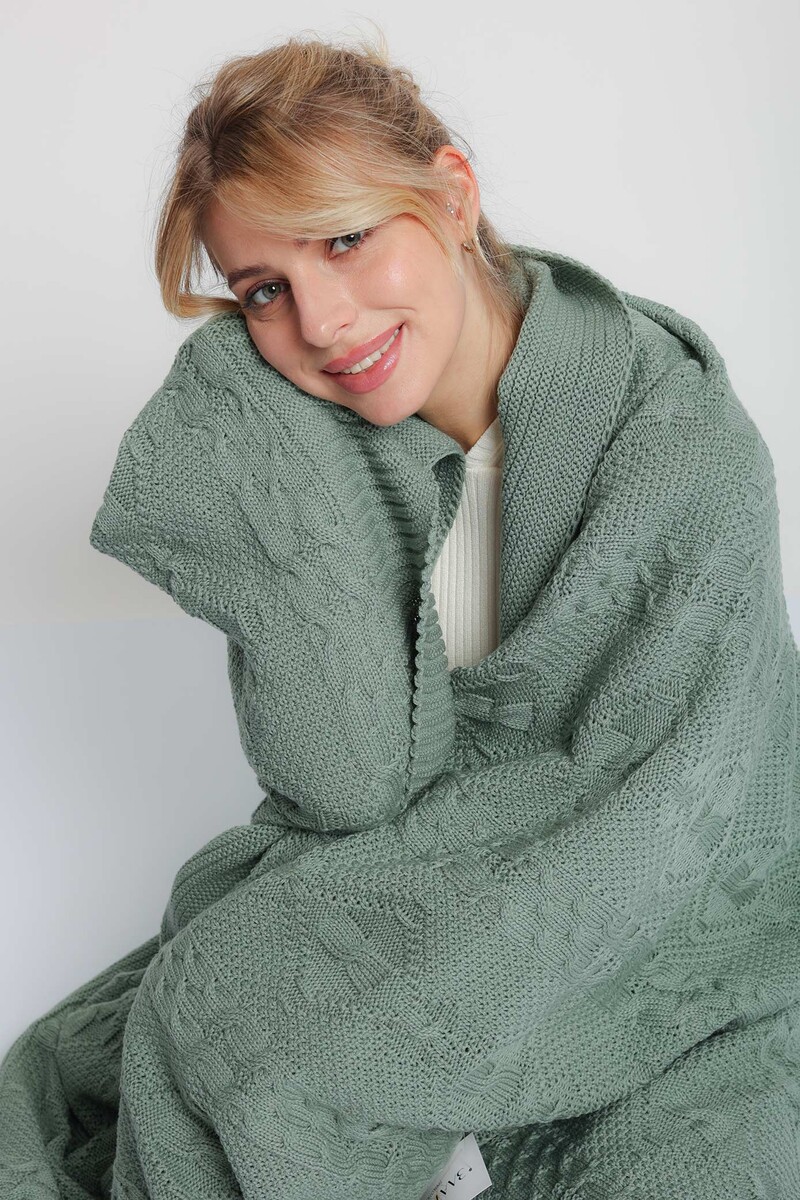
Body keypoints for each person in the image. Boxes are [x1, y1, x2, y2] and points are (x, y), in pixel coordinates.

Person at [1, 28, 799, 1200]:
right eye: (263, 291)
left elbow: (669, 809)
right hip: (427, 869)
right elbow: (343, 785)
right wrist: (245, 428)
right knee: (208, 1013)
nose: (321, 322)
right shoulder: (318, 446)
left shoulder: (677, 441)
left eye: (344, 239)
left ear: (451, 197)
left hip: (670, 902)